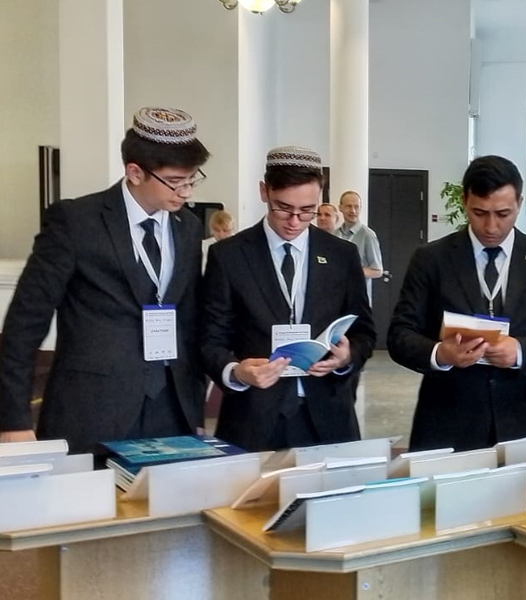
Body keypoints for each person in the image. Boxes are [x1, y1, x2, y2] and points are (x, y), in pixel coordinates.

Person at [0, 107, 210, 453]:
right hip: (92, 409)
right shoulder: (76, 221)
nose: (186, 192)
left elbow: (188, 322)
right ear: (135, 172)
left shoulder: (187, 228)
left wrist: (194, 407)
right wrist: (14, 420)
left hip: (171, 409)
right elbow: (26, 321)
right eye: (175, 181)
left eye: (192, 179)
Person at [387, 155, 526, 451]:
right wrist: (441, 353)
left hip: (519, 420)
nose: (491, 227)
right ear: (464, 201)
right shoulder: (431, 259)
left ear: (519, 203)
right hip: (446, 420)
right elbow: (400, 335)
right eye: (479, 213)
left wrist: (520, 351)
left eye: (503, 214)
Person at [200, 146, 376, 451]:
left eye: (307, 210)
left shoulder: (341, 255)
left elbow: (365, 331)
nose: (295, 221)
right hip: (252, 416)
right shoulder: (229, 256)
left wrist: (347, 356)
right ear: (264, 191)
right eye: (283, 208)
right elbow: (209, 339)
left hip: (328, 416)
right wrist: (236, 371)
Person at [336, 191, 384, 280]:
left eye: (356, 207)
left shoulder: (368, 235)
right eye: (348, 206)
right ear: (340, 208)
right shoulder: (334, 234)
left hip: (357, 288)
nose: (353, 211)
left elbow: (377, 271)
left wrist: (352, 271)